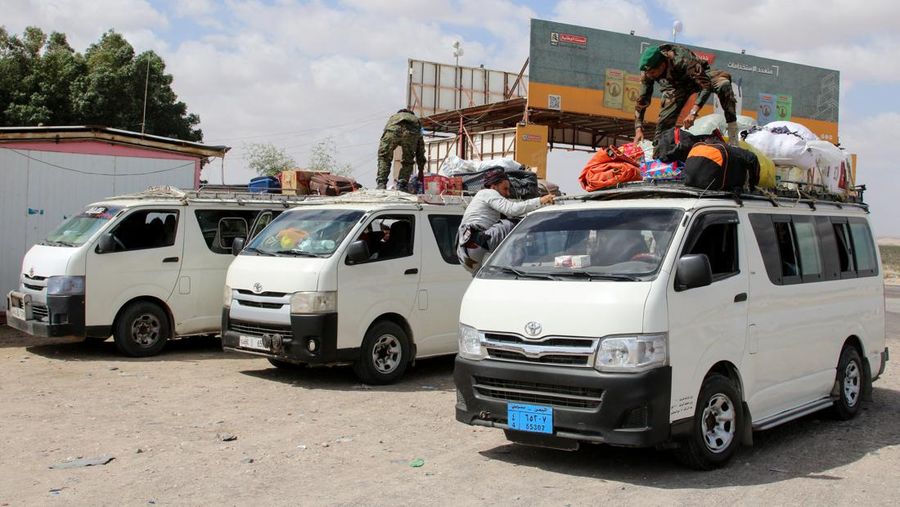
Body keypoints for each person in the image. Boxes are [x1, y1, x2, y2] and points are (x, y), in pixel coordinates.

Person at [633, 44, 739, 151]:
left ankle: (733, 133)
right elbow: (642, 99)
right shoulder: (647, 72)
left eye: (653, 72)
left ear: (662, 64)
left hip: (698, 79)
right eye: (648, 73)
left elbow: (705, 85)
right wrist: (638, 128)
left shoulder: (683, 59)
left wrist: (693, 112)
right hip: (675, 87)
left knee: (723, 83)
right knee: (664, 123)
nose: (651, 76)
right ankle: (660, 150)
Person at [456, 168, 555, 274]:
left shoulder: (481, 198)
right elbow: (512, 210)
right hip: (476, 242)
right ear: (494, 186)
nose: (507, 193)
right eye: (505, 189)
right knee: (517, 225)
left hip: (466, 253)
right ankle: (516, 269)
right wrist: (540, 201)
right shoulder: (488, 193)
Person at [376, 108, 426, 192]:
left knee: (384, 157)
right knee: (408, 160)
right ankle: (402, 184)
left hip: (392, 131)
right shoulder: (416, 120)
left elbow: (385, 135)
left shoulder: (393, 117)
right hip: (411, 133)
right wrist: (421, 169)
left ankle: (381, 183)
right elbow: (420, 149)